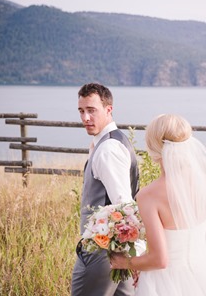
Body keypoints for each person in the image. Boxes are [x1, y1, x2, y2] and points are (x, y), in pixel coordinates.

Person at [110, 114, 206, 296]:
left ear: (154, 147)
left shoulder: (148, 195)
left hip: (166, 281)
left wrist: (124, 262)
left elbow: (160, 260)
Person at [71, 83, 140, 296]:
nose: (85, 118)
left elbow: (123, 203)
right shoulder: (112, 141)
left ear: (108, 109)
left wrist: (133, 256)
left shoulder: (108, 149)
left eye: (92, 110)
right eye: (81, 111)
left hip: (102, 252)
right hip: (117, 251)